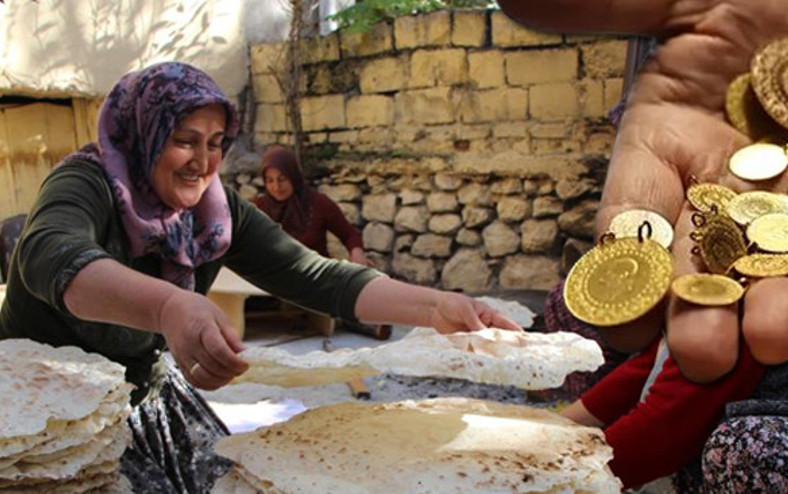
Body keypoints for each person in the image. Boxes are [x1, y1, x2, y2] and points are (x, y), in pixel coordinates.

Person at [0, 61, 521, 493]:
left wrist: (437, 307)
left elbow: (316, 275)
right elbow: (50, 256)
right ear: (143, 133)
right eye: (184, 140)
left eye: (216, 143)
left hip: (147, 399)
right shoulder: (85, 183)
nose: (202, 162)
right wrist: (169, 307)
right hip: (46, 422)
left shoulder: (212, 213)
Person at [499, 0, 788, 491]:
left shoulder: (774, 271)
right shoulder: (699, 265)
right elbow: (651, 367)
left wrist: (553, 477)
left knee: (740, 444)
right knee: (581, 314)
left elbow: (675, 412)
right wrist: (559, 428)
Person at [251, 145, 390, 339]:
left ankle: (362, 317)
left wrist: (357, 254)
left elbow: (349, 234)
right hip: (275, 283)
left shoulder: (318, 204)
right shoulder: (258, 208)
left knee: (344, 289)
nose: (276, 187)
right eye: (270, 181)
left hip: (316, 280)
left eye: (282, 179)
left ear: (294, 176)